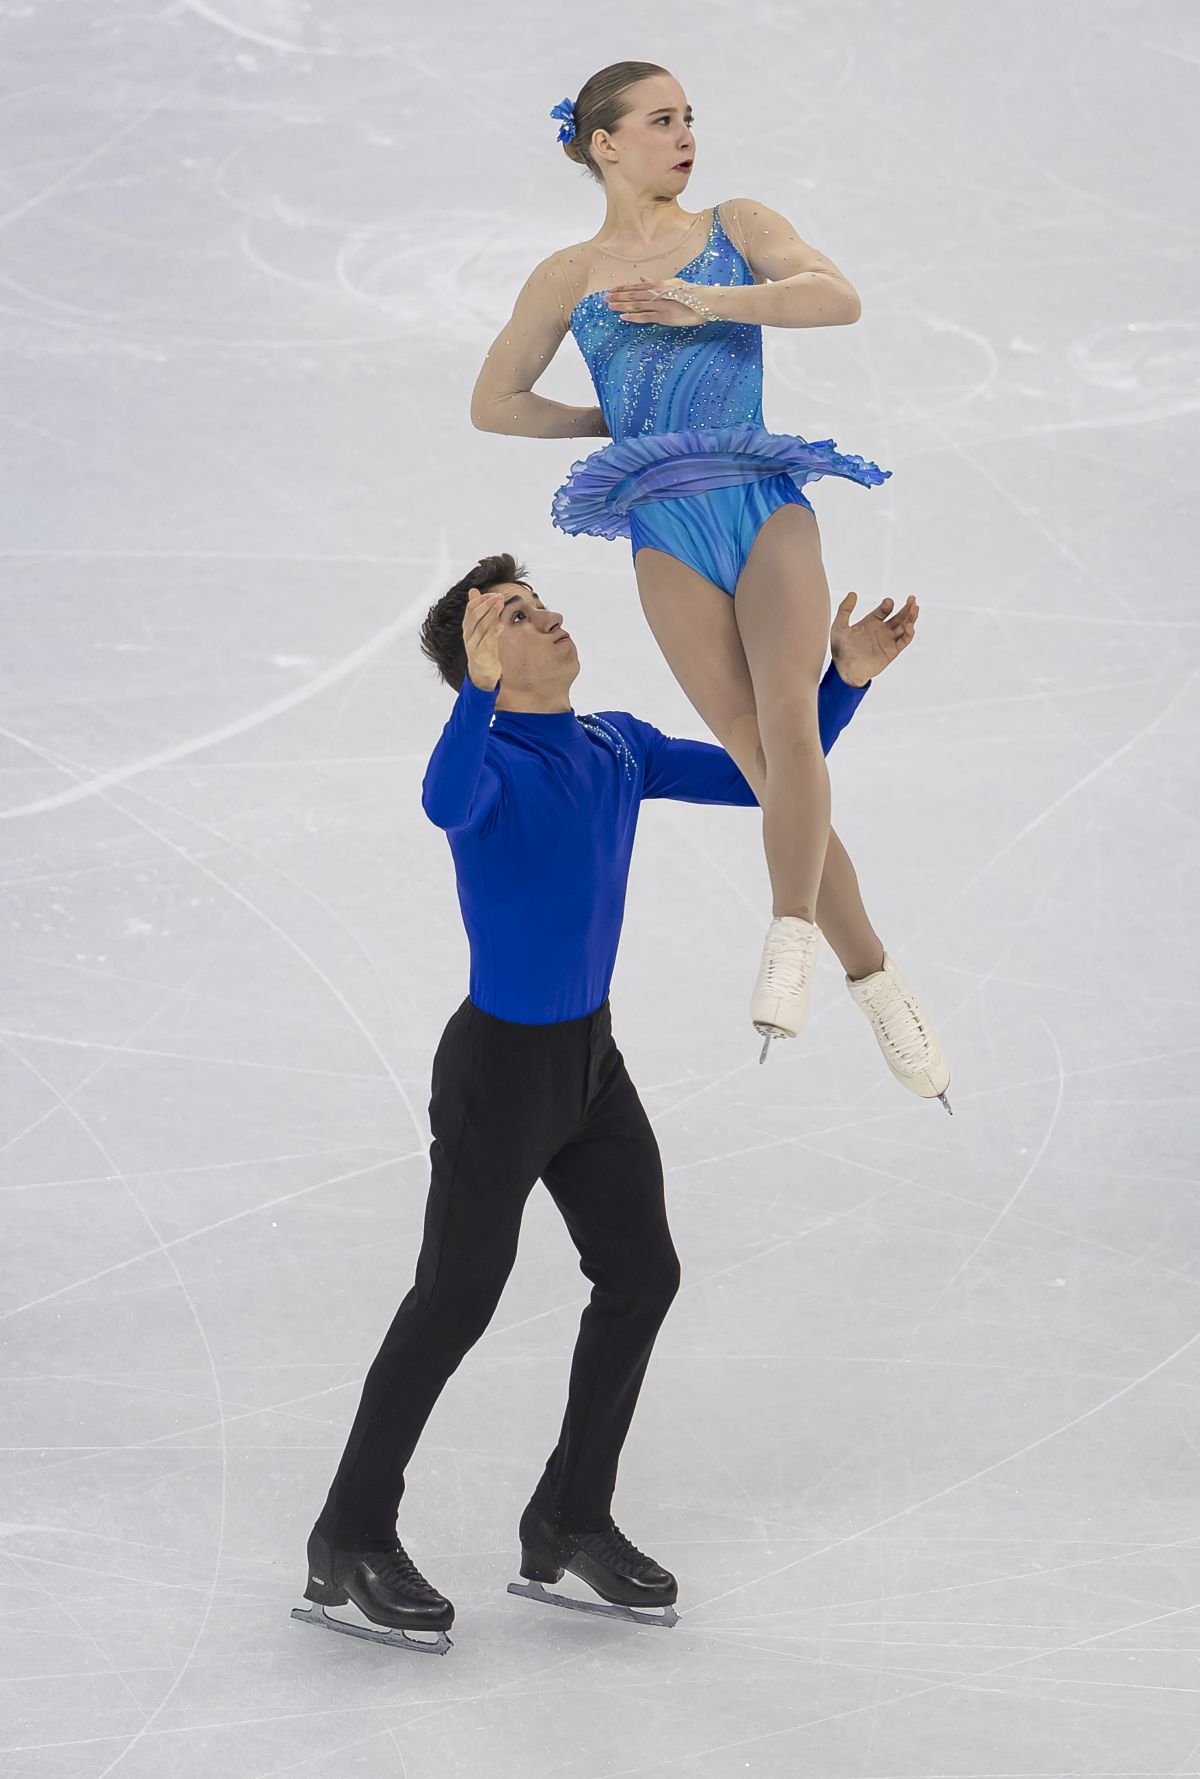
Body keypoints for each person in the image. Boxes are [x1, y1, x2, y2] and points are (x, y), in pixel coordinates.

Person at [293, 549, 915, 1655]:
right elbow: (440, 801)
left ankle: (568, 1519)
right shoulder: (485, 768)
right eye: (518, 617)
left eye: (539, 606)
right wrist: (476, 695)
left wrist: (843, 683)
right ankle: (348, 1537)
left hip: (588, 1066)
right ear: (481, 658)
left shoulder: (614, 742)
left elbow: (752, 772)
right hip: (497, 1075)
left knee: (641, 1275)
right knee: (454, 1301)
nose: (550, 621)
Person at [470, 61, 951, 1105]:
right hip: (663, 520)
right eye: (659, 121)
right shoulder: (567, 273)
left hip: (761, 493)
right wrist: (619, 426)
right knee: (757, 753)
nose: (684, 135)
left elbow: (837, 297)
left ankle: (792, 936)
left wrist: (702, 300)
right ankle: (877, 979)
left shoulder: (736, 222)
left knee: (787, 716)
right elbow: (497, 402)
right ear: (603, 142)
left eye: (689, 118)